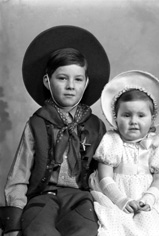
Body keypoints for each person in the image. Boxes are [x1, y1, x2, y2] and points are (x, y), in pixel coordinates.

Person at [3, 25, 110, 236]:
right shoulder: (37, 124)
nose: (70, 85)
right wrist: (12, 223)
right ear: (47, 81)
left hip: (80, 198)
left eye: (78, 79)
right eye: (62, 78)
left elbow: (106, 172)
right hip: (42, 197)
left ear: (86, 83)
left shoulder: (96, 126)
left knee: (85, 231)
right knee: (38, 231)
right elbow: (19, 175)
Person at [89, 70, 159, 236]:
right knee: (115, 228)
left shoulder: (157, 144)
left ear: (152, 119)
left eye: (141, 115)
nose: (134, 121)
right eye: (126, 115)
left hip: (145, 197)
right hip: (115, 197)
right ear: (116, 118)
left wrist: (149, 198)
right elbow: (105, 176)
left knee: (152, 228)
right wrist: (120, 200)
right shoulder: (112, 141)